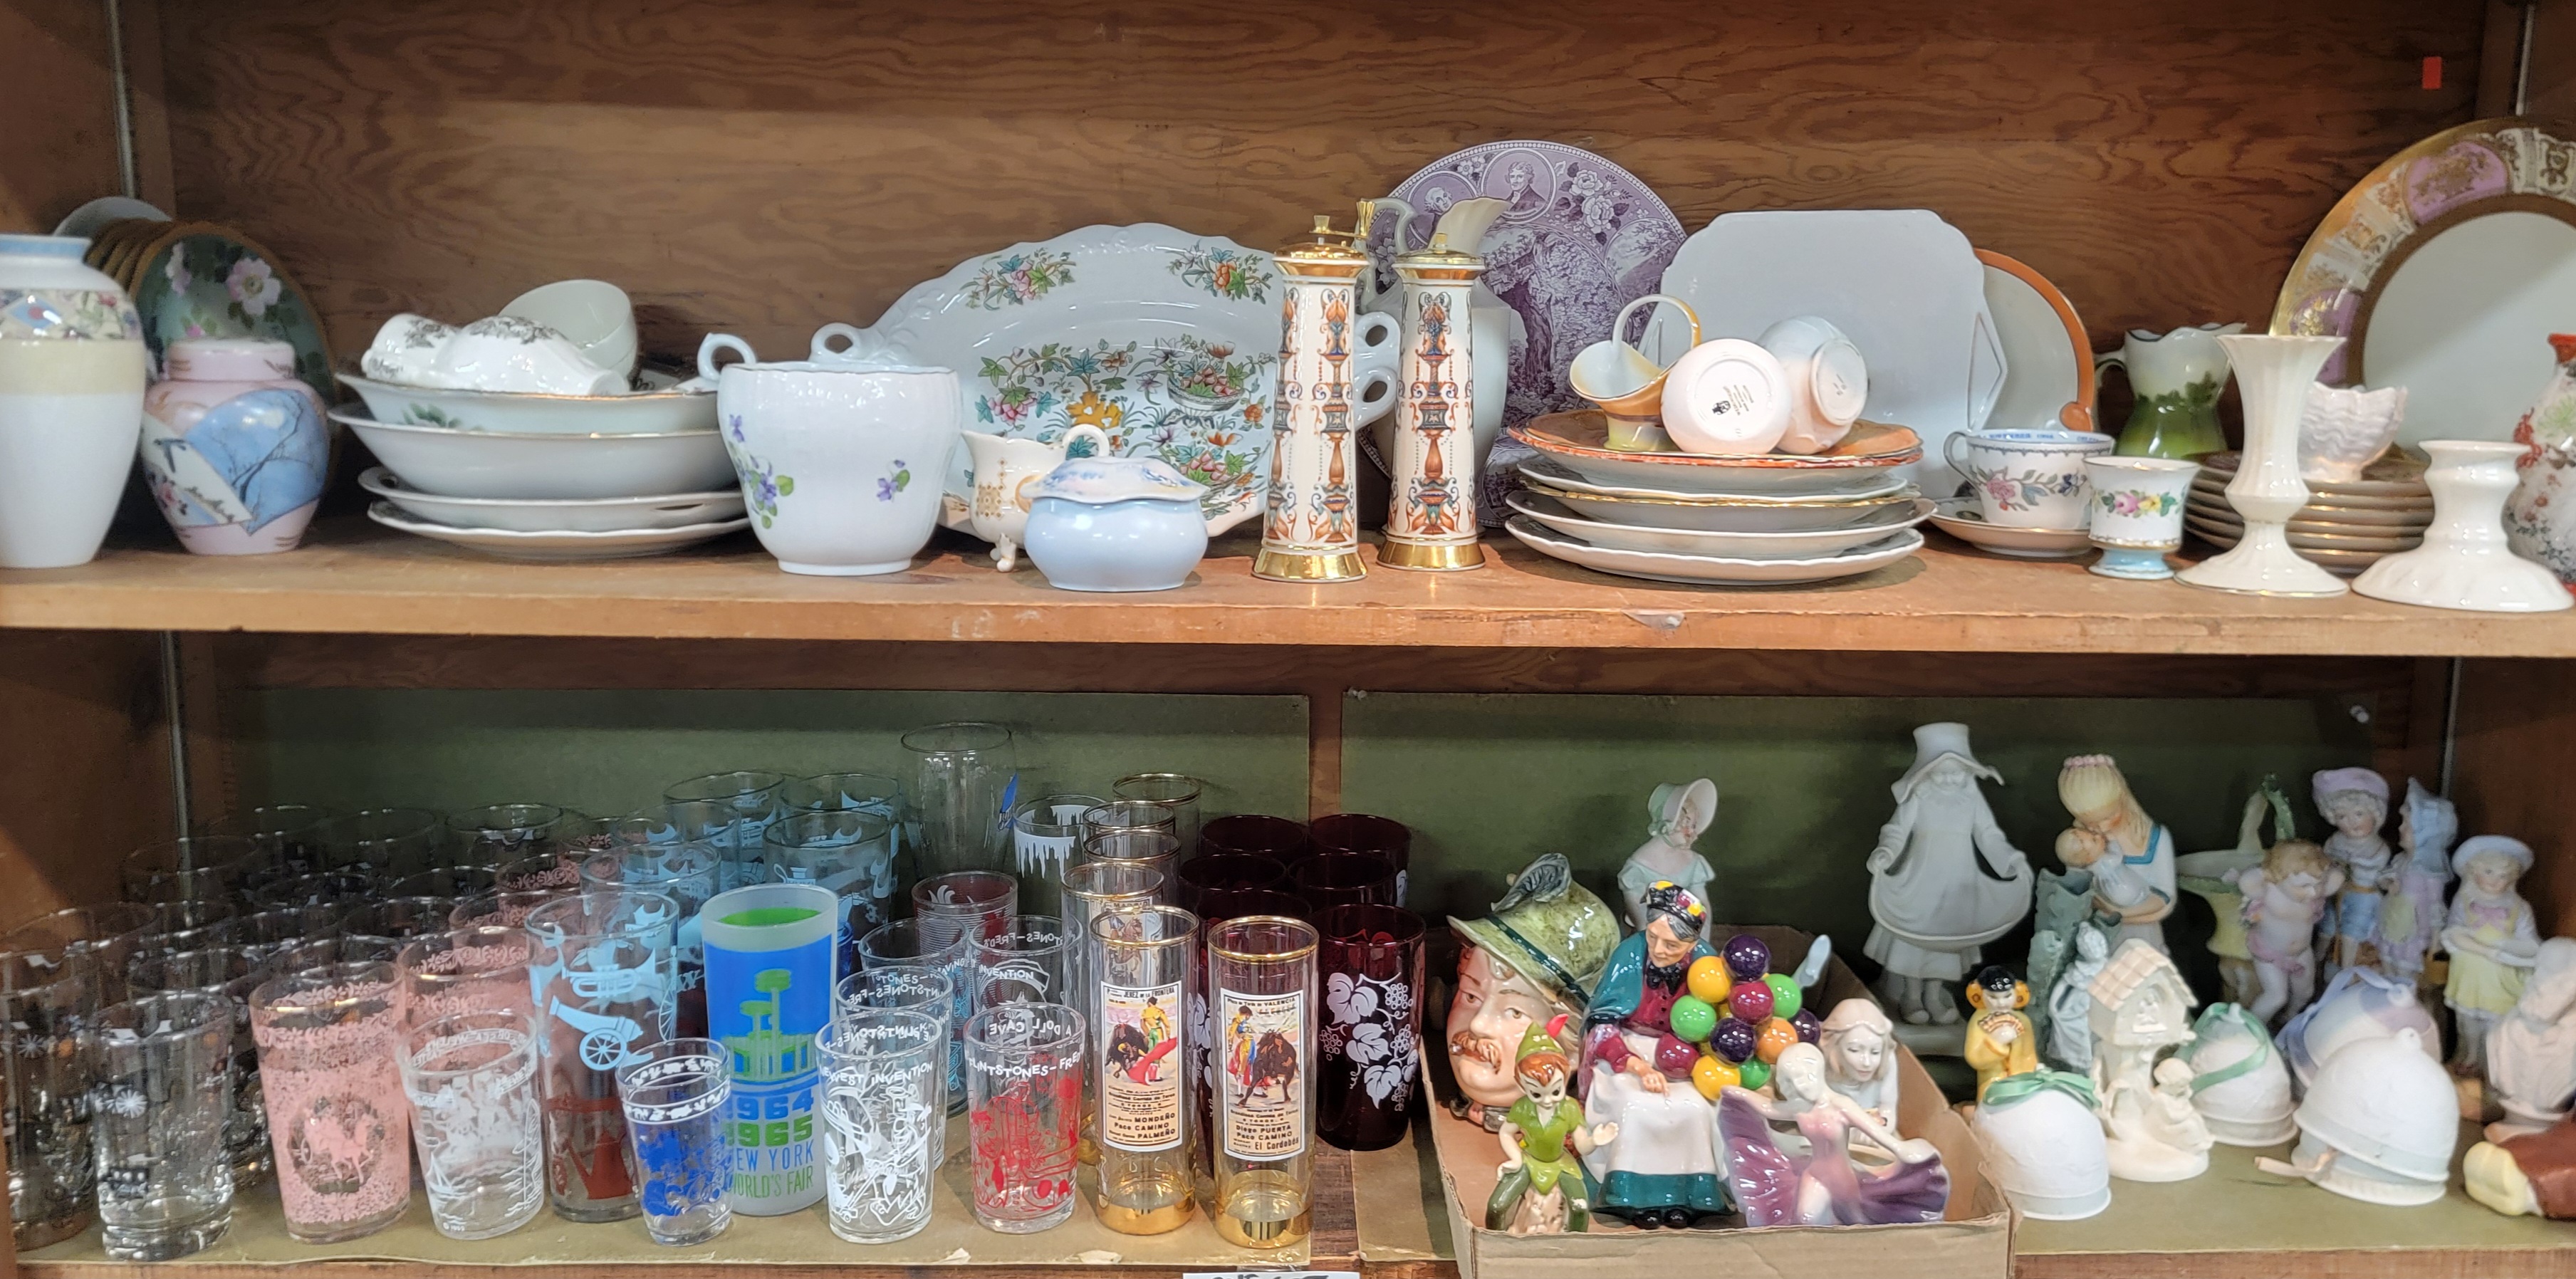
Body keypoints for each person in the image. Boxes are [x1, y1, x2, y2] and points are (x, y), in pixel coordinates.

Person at [1864, 724, 2033, 1026]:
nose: (1949, 779)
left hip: (1959, 881)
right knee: (1915, 935)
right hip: (1922, 878)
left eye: (1956, 772)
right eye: (1940, 772)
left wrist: (2010, 861)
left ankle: (1933, 994)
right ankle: (1911, 996)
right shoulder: (1918, 797)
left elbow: (1988, 834)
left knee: (1948, 937)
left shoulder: (1971, 798)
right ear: (1926, 772)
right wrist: (1886, 853)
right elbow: (1897, 830)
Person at [1578, 880, 1722, 1228]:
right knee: (1635, 1105)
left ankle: (1689, 1196)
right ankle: (1630, 1195)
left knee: (1695, 1108)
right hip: (1625, 1048)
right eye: (1653, 937)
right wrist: (1637, 1066)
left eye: (1672, 944)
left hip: (1682, 1052)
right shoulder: (1629, 954)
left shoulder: (1706, 963)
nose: (1658, 949)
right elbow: (1603, 1022)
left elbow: (1717, 1017)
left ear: (1692, 943)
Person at [1716, 1043, 1949, 1227]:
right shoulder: (1800, 1107)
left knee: (1857, 1222)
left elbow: (1875, 1131)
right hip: (1815, 1174)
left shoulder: (1841, 1106)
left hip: (1841, 1177)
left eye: (1798, 1080)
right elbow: (1768, 1108)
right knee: (1805, 1219)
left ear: (1814, 1074)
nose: (1796, 1088)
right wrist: (1736, 1094)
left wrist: (1901, 1148)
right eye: (1789, 1082)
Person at [1488, 1018, 1615, 1235]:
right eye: (1537, 1094)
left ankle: (1574, 1246)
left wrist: (1594, 1141)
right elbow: (1506, 1133)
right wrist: (1516, 1158)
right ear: (1522, 1085)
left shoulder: (1569, 1108)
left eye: (1555, 1092)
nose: (1547, 1101)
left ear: (1565, 1080)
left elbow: (1581, 1146)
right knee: (1497, 1206)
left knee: (1579, 1207)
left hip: (1561, 1163)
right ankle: (1494, 1242)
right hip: (1529, 1161)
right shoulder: (1522, 1108)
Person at [2055, 756, 2176, 952]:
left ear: (2123, 799)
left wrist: (2118, 914)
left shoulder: (2155, 837)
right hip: (2100, 937)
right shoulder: (2079, 844)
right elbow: (2078, 895)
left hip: (2143, 936)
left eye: (2109, 817)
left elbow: (2166, 900)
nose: (2101, 829)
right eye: (2090, 823)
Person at [2446, 836, 2543, 1078]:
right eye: (2488, 872)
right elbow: (2453, 933)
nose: (2495, 880)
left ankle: (2490, 1064)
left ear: (2512, 878)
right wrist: (2485, 950)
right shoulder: (2464, 900)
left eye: (2503, 875)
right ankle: (2469, 1055)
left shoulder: (2519, 907)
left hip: (2500, 977)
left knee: (2495, 1022)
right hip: (2469, 974)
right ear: (2474, 871)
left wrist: (2504, 946)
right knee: (2468, 1019)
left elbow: (2532, 945)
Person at [2233, 838, 2342, 1026]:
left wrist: (2320, 867)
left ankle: (2288, 1018)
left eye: (2318, 884)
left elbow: (2337, 877)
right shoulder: (2268, 891)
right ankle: (2249, 1031)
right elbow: (2246, 881)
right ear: (2278, 877)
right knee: (2276, 997)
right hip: (2270, 955)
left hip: (2302, 953)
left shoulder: (2313, 892)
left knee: (2305, 993)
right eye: (2304, 886)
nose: (2313, 893)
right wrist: (2269, 871)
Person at [2312, 768, 2393, 977]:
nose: (2352, 822)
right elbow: (2326, 861)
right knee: (2326, 928)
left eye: (2359, 814)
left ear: (2375, 814)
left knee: (2351, 933)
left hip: (2363, 897)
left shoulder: (2378, 847)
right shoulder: (2335, 841)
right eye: (2342, 816)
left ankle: (2346, 973)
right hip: (2336, 893)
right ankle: (2316, 963)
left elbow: (2371, 871)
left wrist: (2348, 866)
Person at [2379, 780, 2456, 986]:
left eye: (2407, 825)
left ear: (2426, 834)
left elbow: (2436, 909)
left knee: (2406, 979)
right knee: (2388, 972)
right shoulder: (2400, 860)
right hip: (2393, 925)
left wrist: (2435, 944)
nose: (2400, 828)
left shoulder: (2431, 874)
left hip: (2414, 936)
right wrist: (2388, 883)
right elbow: (2385, 879)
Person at [1617, 780, 1716, 940]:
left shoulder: (1694, 862)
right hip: (1650, 940)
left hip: (1685, 937)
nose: (1693, 834)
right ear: (1670, 824)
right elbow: (1639, 917)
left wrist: (1702, 942)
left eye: (1694, 826)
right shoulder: (1639, 867)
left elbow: (1702, 906)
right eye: (1689, 825)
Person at [1963, 965, 2037, 1103]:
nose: (2001, 1003)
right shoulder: (1979, 1021)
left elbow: (2028, 1054)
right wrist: (1996, 1043)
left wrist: (2032, 1070)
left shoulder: (2023, 1020)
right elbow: (1974, 1059)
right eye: (1993, 997)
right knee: (1994, 1101)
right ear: (1980, 994)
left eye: (2007, 996)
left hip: (2021, 1077)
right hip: (1993, 1080)